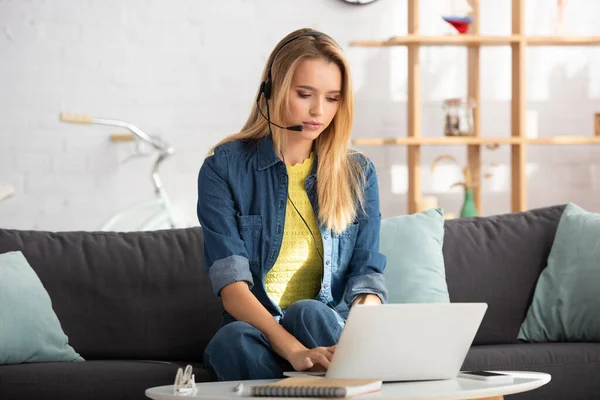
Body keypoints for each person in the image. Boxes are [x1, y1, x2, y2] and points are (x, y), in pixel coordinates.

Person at [196, 28, 387, 381]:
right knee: (232, 341)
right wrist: (294, 350)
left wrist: (364, 324)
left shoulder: (358, 172)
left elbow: (367, 275)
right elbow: (232, 288)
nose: (319, 111)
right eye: (305, 94)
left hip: (322, 325)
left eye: (333, 98)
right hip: (257, 331)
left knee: (308, 313)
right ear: (272, 90)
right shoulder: (223, 167)